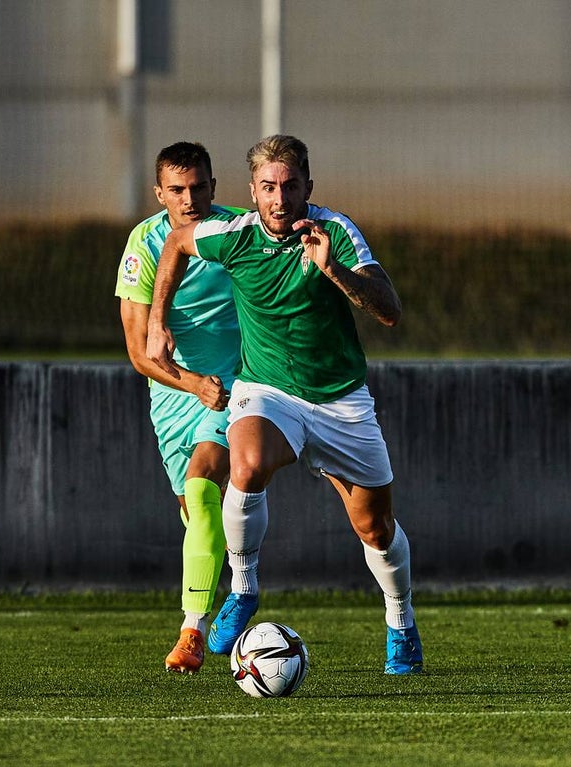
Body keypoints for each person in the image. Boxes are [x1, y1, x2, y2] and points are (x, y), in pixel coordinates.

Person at [145, 134, 423, 674]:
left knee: (376, 529)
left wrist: (334, 271)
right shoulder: (236, 235)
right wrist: (158, 320)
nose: (279, 198)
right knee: (244, 465)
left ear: (307, 188)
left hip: (341, 401)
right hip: (268, 392)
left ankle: (401, 620)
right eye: (268, 187)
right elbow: (177, 242)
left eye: (290, 186)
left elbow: (389, 311)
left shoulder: (335, 232)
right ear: (252, 191)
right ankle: (244, 590)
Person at [115, 141, 244, 674]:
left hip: (239, 383)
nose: (189, 199)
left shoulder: (241, 230)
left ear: (214, 186)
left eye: (199, 187)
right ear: (159, 193)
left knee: (202, 484)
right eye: (177, 189)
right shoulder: (143, 244)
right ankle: (237, 582)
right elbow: (139, 354)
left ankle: (191, 632)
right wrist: (192, 384)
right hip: (176, 393)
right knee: (195, 513)